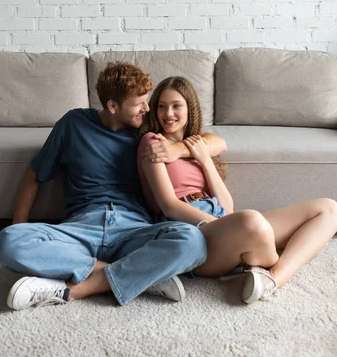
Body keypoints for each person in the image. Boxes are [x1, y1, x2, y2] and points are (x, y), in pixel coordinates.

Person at [0, 62, 226, 311]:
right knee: (8, 240)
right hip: (81, 227)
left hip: (133, 228)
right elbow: (35, 176)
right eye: (140, 104)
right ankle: (144, 273)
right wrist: (19, 224)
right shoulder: (73, 124)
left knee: (192, 240)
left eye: (147, 102)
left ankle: (85, 285)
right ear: (113, 106)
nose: (148, 110)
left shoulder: (147, 130)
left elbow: (216, 141)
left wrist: (176, 149)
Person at [137, 76, 337, 304]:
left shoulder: (197, 143)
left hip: (223, 220)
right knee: (252, 221)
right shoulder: (153, 142)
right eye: (161, 106)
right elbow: (169, 206)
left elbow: (227, 206)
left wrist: (205, 159)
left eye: (176, 106)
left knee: (329, 209)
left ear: (189, 108)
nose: (168, 113)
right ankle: (255, 258)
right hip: (192, 230)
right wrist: (219, 225)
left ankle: (272, 279)